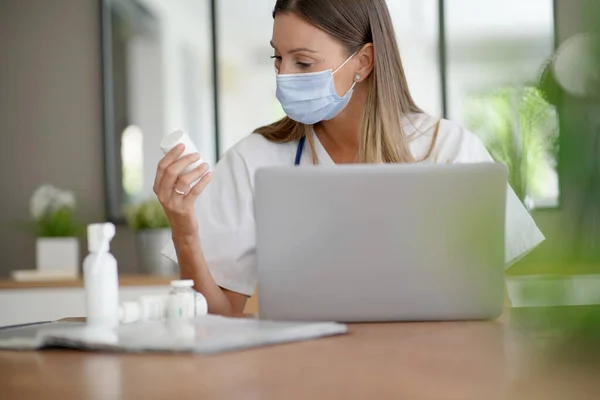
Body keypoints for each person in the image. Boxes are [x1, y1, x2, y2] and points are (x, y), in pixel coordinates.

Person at [156, 0, 544, 316]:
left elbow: (496, 310)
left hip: (430, 373)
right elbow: (220, 318)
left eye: (303, 63)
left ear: (363, 61)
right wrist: (184, 230)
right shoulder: (253, 160)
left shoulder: (449, 150)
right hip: (301, 375)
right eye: (278, 59)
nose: (283, 77)